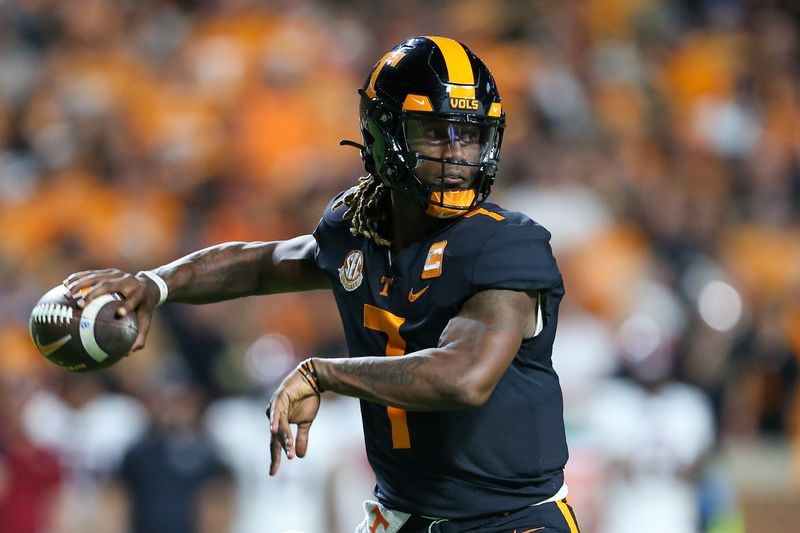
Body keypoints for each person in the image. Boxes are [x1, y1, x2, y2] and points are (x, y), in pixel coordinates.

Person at [65, 36, 580, 533]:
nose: (456, 156)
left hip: (511, 520)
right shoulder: (357, 225)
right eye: (434, 132)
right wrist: (157, 283)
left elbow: (465, 377)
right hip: (401, 516)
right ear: (385, 133)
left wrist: (323, 375)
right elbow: (263, 264)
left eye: (469, 135)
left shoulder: (507, 245)